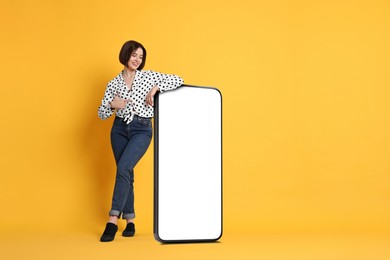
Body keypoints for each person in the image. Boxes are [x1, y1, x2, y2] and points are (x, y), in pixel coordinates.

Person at [98, 40, 183, 242]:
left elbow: (178, 79)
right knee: (126, 171)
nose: (137, 59)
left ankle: (112, 219)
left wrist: (156, 88)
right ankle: (130, 220)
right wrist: (112, 104)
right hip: (118, 129)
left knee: (124, 167)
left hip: (142, 128)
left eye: (141, 57)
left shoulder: (148, 76)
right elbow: (101, 113)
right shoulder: (113, 83)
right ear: (125, 54)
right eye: (134, 55)